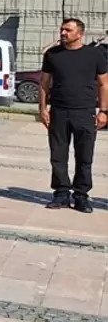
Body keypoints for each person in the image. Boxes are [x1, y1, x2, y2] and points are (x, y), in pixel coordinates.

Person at [40, 18, 108, 213]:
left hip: (85, 112)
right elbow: (44, 83)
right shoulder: (52, 54)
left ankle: (81, 196)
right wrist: (42, 109)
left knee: (84, 156)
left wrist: (103, 111)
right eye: (62, 29)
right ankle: (61, 193)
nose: (63, 33)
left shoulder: (95, 55)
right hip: (59, 112)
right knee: (58, 156)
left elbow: (104, 84)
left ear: (80, 33)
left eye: (68, 30)